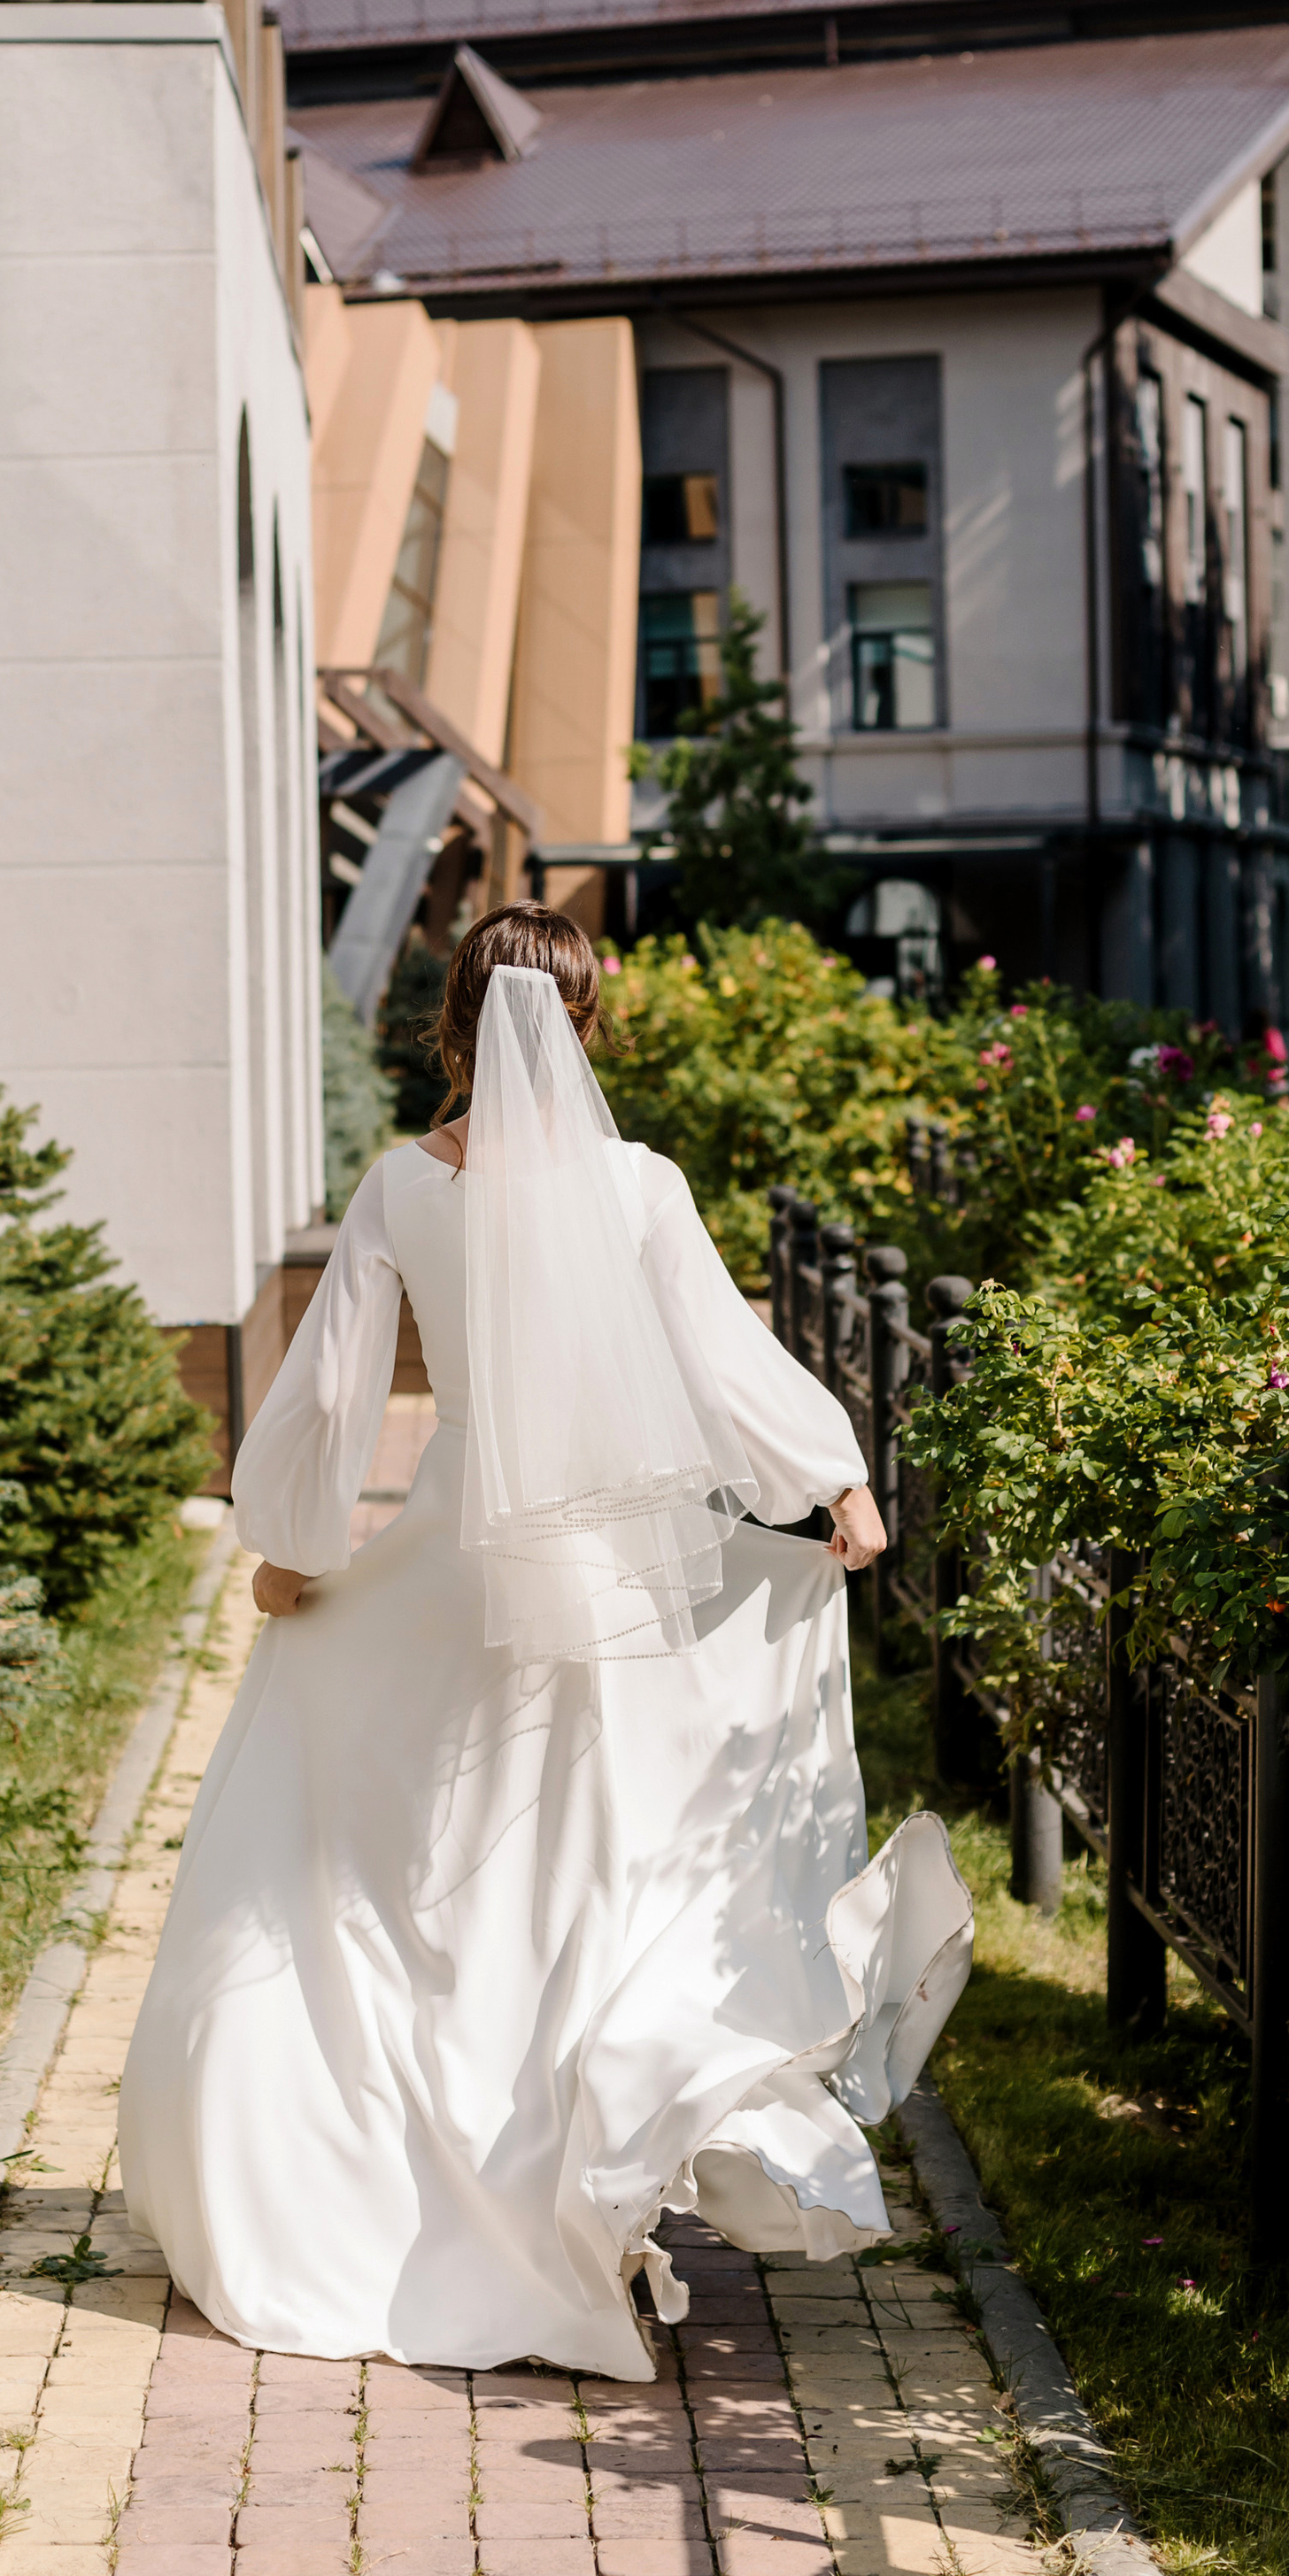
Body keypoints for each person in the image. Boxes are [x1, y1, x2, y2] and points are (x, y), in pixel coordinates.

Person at [118, 903, 971, 2379]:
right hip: (623, 1576)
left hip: (458, 1554)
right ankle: (573, 2208)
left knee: (428, 1888)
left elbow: (330, 1390)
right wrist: (827, 1473)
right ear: (582, 1029)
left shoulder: (401, 1183)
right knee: (598, 1877)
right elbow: (717, 1349)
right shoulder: (637, 1185)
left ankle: (419, 2206)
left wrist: (296, 1543)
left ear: (453, 1025)